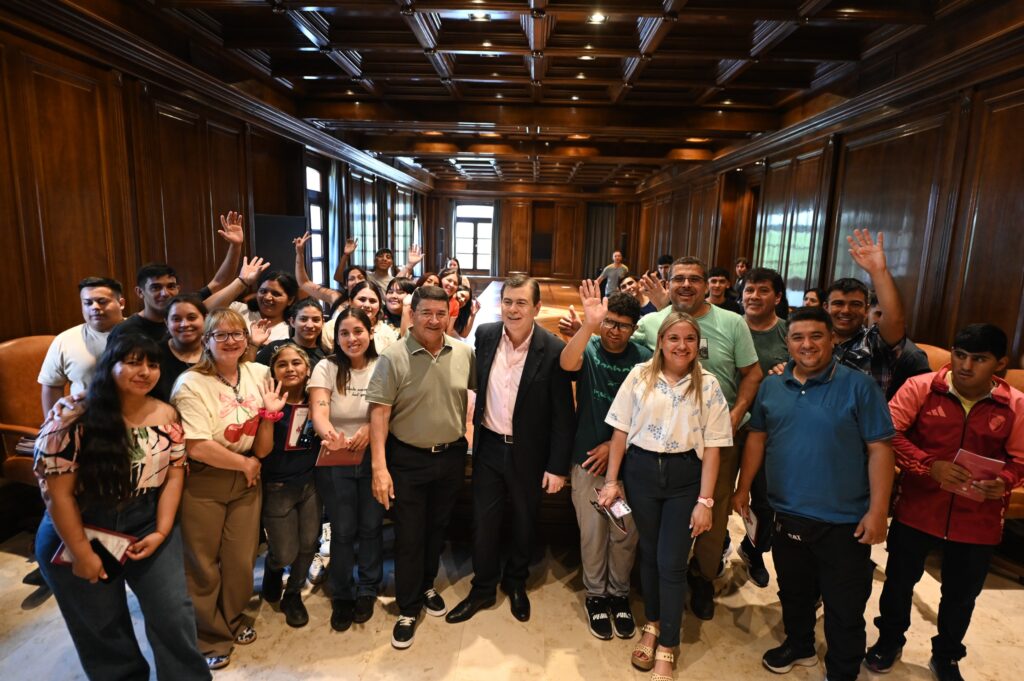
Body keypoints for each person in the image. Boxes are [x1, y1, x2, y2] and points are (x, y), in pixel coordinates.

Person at [34, 334, 210, 680]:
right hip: (79, 528)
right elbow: (58, 496)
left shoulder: (167, 414)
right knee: (102, 627)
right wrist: (81, 553)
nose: (145, 371)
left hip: (148, 520)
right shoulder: (72, 418)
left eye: (153, 363)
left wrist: (161, 530)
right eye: (133, 362)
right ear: (109, 366)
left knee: (172, 613)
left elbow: (175, 475)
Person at [732, 306, 895, 681]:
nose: (807, 345)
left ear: (832, 339)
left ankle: (842, 669)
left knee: (844, 603)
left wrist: (878, 511)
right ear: (787, 343)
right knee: (793, 591)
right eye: (798, 337)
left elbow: (880, 450)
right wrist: (743, 488)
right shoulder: (772, 386)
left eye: (816, 336)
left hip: (843, 519)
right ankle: (800, 644)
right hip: (786, 511)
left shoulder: (859, 386)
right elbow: (757, 437)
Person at [865, 324, 1024, 681]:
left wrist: (1004, 482)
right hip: (919, 507)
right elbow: (888, 431)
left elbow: (1021, 460)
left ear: (1000, 364)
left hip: (977, 517)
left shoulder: (1015, 404)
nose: (965, 366)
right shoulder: (921, 387)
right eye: (960, 355)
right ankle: (889, 640)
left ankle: (947, 655)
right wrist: (926, 465)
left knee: (961, 595)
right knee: (899, 582)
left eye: (979, 359)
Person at [599, 312, 730, 681]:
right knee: (649, 555)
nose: (681, 346)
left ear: (697, 344)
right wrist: (612, 481)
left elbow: (716, 448)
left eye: (689, 339)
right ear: (661, 341)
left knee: (672, 562)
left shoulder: (709, 385)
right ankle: (653, 624)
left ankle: (669, 645)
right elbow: (621, 432)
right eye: (674, 338)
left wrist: (705, 502)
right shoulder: (640, 375)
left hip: (684, 477)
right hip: (641, 472)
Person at [632, 256, 762, 620]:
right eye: (678, 279)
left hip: (719, 439)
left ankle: (703, 578)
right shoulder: (652, 322)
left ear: (707, 285)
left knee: (712, 509)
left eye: (694, 279)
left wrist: (735, 415)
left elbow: (752, 374)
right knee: (659, 509)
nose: (686, 285)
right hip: (665, 441)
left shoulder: (732, 323)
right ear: (668, 284)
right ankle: (655, 572)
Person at [445, 275, 573, 625]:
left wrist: (557, 467)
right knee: (483, 522)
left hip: (529, 453)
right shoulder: (485, 335)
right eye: (508, 302)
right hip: (488, 447)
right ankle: (483, 587)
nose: (513, 309)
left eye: (521, 303)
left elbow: (564, 415)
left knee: (524, 521)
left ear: (536, 308)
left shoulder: (553, 349)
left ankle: (516, 582)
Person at [366, 285, 476, 649]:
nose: (433, 320)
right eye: (426, 312)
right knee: (410, 534)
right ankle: (408, 607)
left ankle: (427, 584)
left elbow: (470, 398)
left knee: (437, 527)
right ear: (411, 314)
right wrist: (380, 468)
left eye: (440, 313)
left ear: (450, 315)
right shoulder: (393, 357)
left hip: (450, 455)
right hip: (407, 458)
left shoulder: (463, 352)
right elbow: (379, 414)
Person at [171, 309, 271, 669]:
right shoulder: (190, 384)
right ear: (206, 341)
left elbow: (263, 439)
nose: (231, 341)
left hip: (248, 476)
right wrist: (245, 463)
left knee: (241, 559)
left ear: (247, 339)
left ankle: (232, 618)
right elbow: (197, 445)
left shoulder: (259, 373)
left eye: (237, 334)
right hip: (204, 478)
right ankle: (210, 635)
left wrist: (258, 448)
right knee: (202, 563)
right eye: (221, 335)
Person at [560, 283, 652, 641]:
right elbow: (567, 364)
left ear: (634, 328)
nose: (615, 331)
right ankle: (596, 595)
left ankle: (619, 594)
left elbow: (648, 414)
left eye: (623, 325)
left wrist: (613, 448)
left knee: (625, 533)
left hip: (630, 463)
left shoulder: (644, 357)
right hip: (587, 461)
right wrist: (588, 325)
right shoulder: (591, 346)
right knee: (593, 533)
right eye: (609, 322)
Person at [309, 308, 384, 632]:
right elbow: (319, 410)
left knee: (370, 526)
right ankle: (341, 593)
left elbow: (389, 409)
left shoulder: (384, 366)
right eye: (344, 333)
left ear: (370, 332)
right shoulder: (327, 367)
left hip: (374, 454)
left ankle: (367, 588)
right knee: (342, 529)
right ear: (335, 337)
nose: (352, 339)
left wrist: (370, 429)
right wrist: (332, 436)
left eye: (358, 331)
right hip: (336, 457)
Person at [252, 344, 321, 629]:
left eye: (296, 363)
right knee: (285, 552)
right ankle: (273, 567)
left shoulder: (316, 401)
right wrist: (270, 415)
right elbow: (262, 451)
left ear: (307, 370)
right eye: (283, 364)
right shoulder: (266, 401)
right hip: (278, 486)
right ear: (274, 370)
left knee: (309, 544)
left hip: (310, 482)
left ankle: (293, 593)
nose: (291, 369)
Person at [111, 213, 245, 343]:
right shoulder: (126, 330)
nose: (165, 293)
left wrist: (235, 246)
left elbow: (219, 283)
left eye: (171, 286)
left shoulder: (188, 305)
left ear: (178, 289)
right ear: (140, 292)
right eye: (156, 287)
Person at [736, 267, 790, 588]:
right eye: (749, 290)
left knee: (766, 502)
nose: (754, 296)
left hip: (771, 431)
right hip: (727, 425)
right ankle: (712, 553)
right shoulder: (729, 326)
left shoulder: (789, 332)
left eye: (763, 290)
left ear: (778, 297)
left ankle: (753, 552)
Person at [828, 229, 929, 398]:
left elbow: (895, 319)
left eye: (855, 305)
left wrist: (878, 272)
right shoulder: (813, 340)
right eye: (838, 304)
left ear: (867, 310)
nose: (846, 311)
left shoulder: (875, 342)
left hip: (861, 421)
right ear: (825, 307)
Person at [39, 276, 126, 415]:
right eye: (88, 303)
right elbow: (52, 386)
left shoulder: (139, 332)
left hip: (137, 419)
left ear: (121, 303)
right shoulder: (65, 340)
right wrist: (54, 429)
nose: (95, 307)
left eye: (102, 301)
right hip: (85, 419)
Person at [323, 281, 399, 355]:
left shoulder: (387, 333)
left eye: (372, 301)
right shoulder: (331, 327)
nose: (367, 305)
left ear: (379, 306)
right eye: (362, 299)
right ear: (350, 301)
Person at [155, 295, 208, 402]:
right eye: (176, 319)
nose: (184, 324)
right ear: (166, 323)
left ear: (205, 319)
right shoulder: (154, 354)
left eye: (192, 318)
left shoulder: (216, 351)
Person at [254, 298, 326, 366]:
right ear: (292, 322)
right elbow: (249, 372)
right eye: (303, 319)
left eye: (316, 320)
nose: (310, 325)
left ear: (322, 323)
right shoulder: (275, 348)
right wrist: (253, 344)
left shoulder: (326, 357)